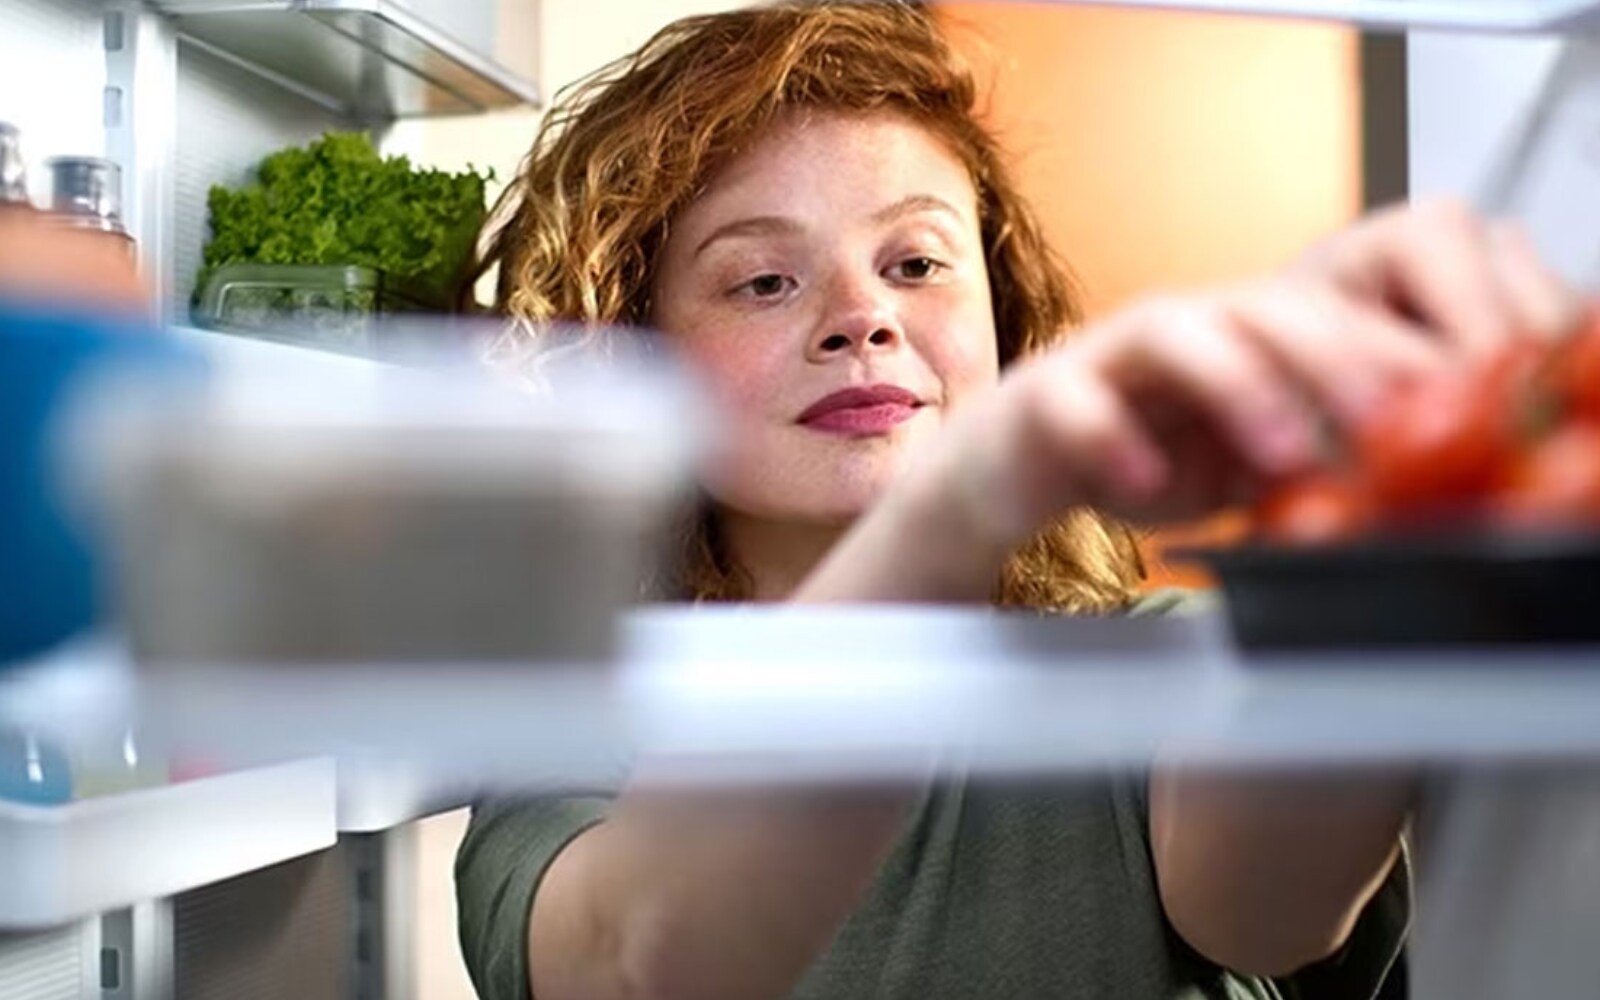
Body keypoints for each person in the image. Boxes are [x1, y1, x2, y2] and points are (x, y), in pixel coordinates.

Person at [455, 4, 1579, 1000]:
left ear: (1006, 319)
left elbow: (1260, 912)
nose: (862, 318)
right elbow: (635, 961)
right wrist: (962, 497)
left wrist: (1388, 458)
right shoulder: (577, 729)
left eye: (917, 264)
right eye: (762, 279)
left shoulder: (1159, 666)